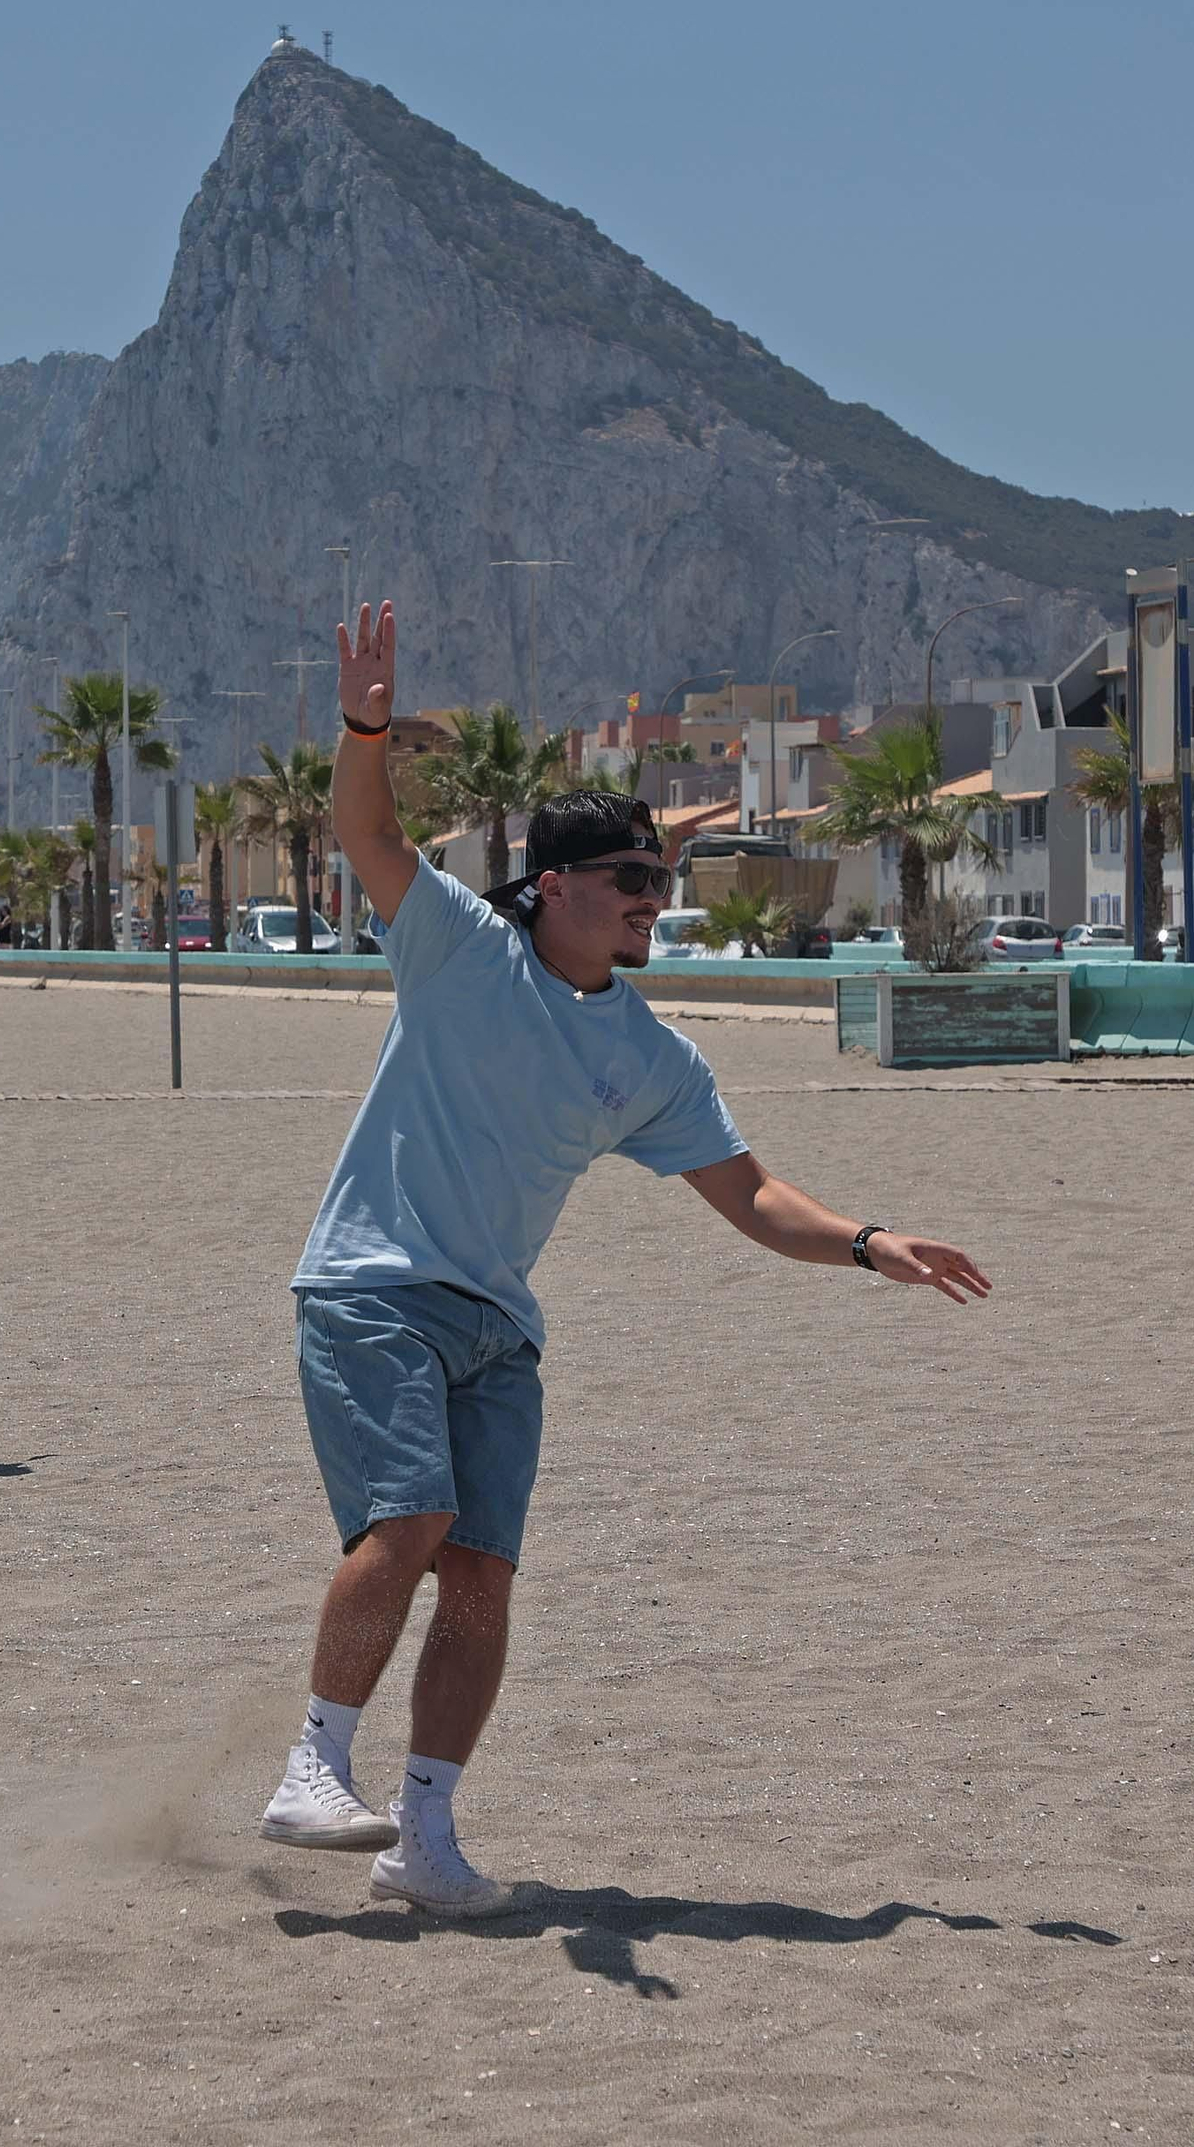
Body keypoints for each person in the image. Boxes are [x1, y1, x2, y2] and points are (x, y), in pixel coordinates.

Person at [260, 601, 992, 1917]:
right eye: (634, 880)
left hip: (497, 1324)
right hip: (372, 1285)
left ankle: (420, 1835)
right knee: (412, 1519)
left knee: (481, 1575)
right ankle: (315, 1759)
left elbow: (754, 1192)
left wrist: (871, 1240)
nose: (657, 900)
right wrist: (365, 723)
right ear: (557, 885)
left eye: (665, 881)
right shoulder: (459, 950)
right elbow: (366, 832)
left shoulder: (650, 1056)